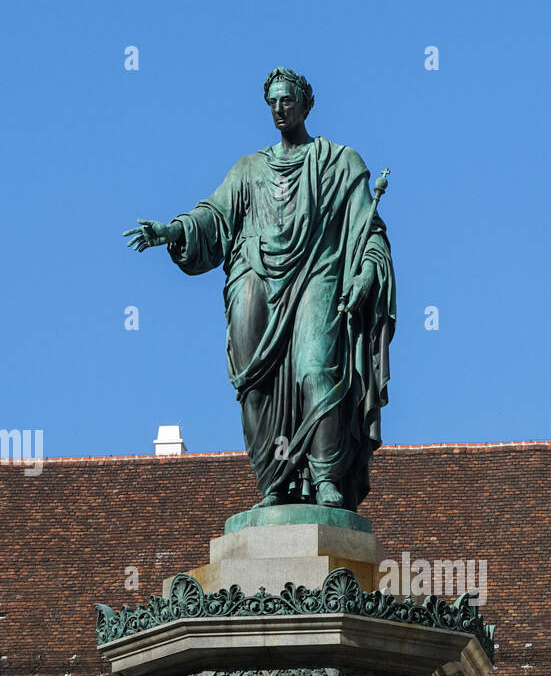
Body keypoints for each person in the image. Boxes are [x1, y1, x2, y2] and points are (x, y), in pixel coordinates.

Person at [124, 68, 396, 511]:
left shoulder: (339, 163)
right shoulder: (248, 170)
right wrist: (172, 231)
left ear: (306, 104)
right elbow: (213, 216)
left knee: (315, 369)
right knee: (253, 383)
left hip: (318, 274)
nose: (278, 109)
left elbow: (369, 230)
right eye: (271, 101)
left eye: (286, 100)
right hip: (255, 277)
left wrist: (366, 272)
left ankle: (326, 477)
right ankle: (276, 479)